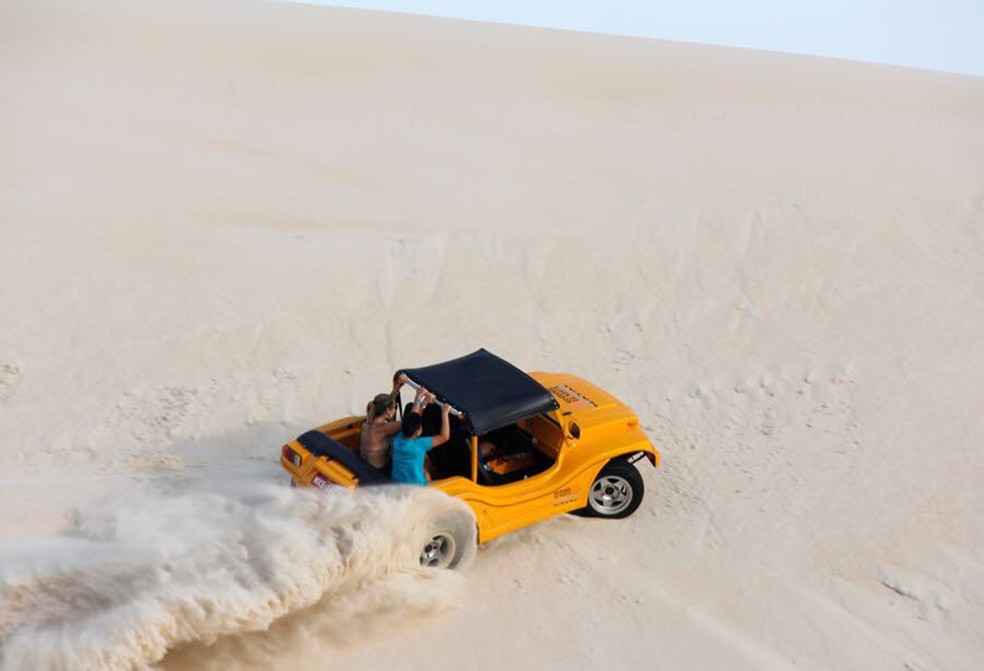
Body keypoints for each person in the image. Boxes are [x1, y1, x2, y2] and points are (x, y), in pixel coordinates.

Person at [391, 387, 451, 485]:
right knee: (429, 474)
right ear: (418, 432)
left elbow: (413, 417)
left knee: (425, 470)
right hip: (417, 487)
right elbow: (444, 437)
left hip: (397, 484)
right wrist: (444, 413)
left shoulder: (397, 439)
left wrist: (421, 401)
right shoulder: (420, 444)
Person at [359, 373, 407, 470]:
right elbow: (410, 422)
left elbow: (388, 401)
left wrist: (398, 386)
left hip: (366, 462)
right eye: (394, 408)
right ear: (387, 411)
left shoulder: (370, 418)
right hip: (378, 471)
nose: (395, 410)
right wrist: (420, 400)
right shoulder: (382, 428)